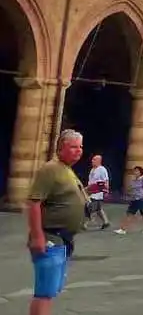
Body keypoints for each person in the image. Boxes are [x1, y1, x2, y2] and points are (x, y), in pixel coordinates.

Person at [25, 129, 87, 315]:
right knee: (44, 292)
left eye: (80, 147)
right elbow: (34, 202)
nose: (79, 150)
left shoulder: (66, 170)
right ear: (61, 148)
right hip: (51, 237)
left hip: (63, 240)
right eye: (74, 147)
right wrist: (37, 237)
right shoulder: (50, 169)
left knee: (50, 291)